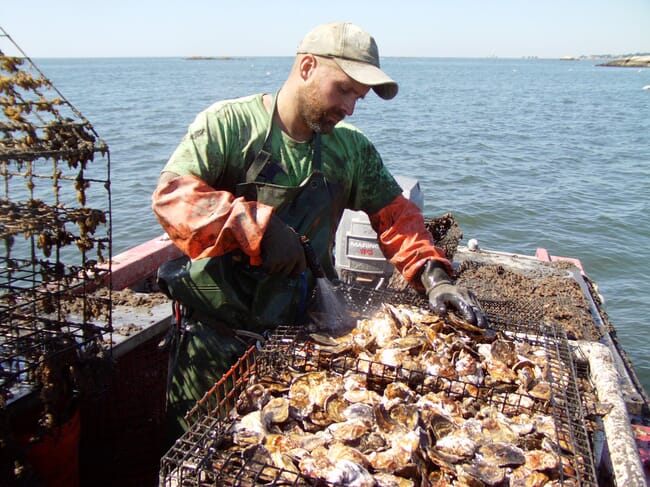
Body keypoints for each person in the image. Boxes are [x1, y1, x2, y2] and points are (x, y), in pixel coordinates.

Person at [152, 21, 487, 441]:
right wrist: (256, 227)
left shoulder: (350, 148)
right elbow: (171, 198)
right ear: (307, 66)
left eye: (358, 98)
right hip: (214, 345)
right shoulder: (229, 126)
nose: (350, 108)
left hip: (298, 341)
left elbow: (396, 217)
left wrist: (433, 276)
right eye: (344, 89)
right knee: (202, 455)